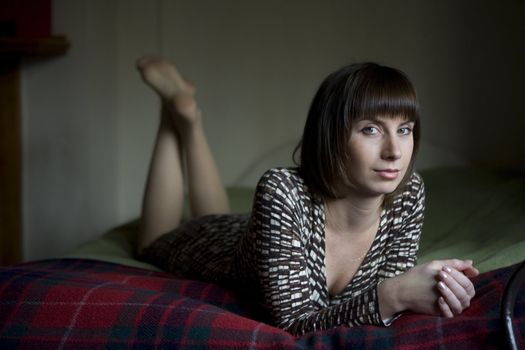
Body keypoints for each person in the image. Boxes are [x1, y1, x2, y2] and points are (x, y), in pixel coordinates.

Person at [135, 56, 479, 335]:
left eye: (404, 129)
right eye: (371, 129)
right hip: (219, 248)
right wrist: (396, 294)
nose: (394, 152)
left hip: (261, 235)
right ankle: (177, 116)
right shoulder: (281, 190)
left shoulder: (409, 193)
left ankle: (186, 115)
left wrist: (435, 284)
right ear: (332, 135)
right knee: (151, 242)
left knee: (217, 212)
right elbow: (295, 323)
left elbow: (373, 295)